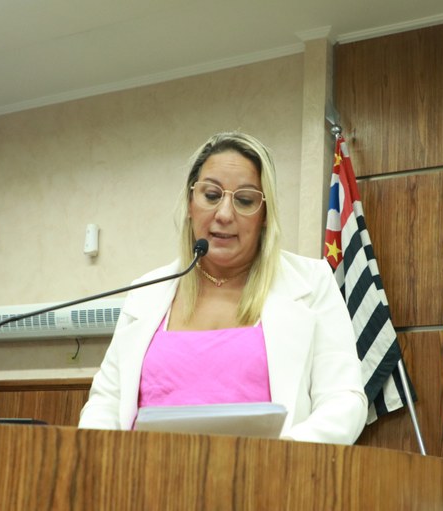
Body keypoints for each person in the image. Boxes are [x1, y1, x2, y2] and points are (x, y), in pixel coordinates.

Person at [78, 132, 368, 444]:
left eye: (245, 200)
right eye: (211, 195)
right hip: (145, 471)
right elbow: (106, 403)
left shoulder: (312, 283)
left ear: (265, 215)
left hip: (268, 471)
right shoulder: (145, 293)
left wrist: (280, 458)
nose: (225, 214)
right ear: (190, 203)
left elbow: (344, 401)